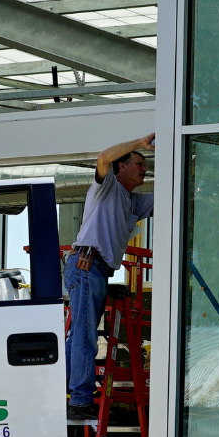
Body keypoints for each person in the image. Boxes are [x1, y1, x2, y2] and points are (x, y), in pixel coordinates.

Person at [64, 133, 156, 421]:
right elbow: (103, 158)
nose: (144, 169)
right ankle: (79, 400)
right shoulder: (107, 188)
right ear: (122, 168)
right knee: (84, 335)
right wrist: (140, 142)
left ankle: (65, 389)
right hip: (86, 265)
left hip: (96, 270)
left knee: (79, 334)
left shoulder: (133, 202)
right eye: (139, 163)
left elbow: (175, 192)